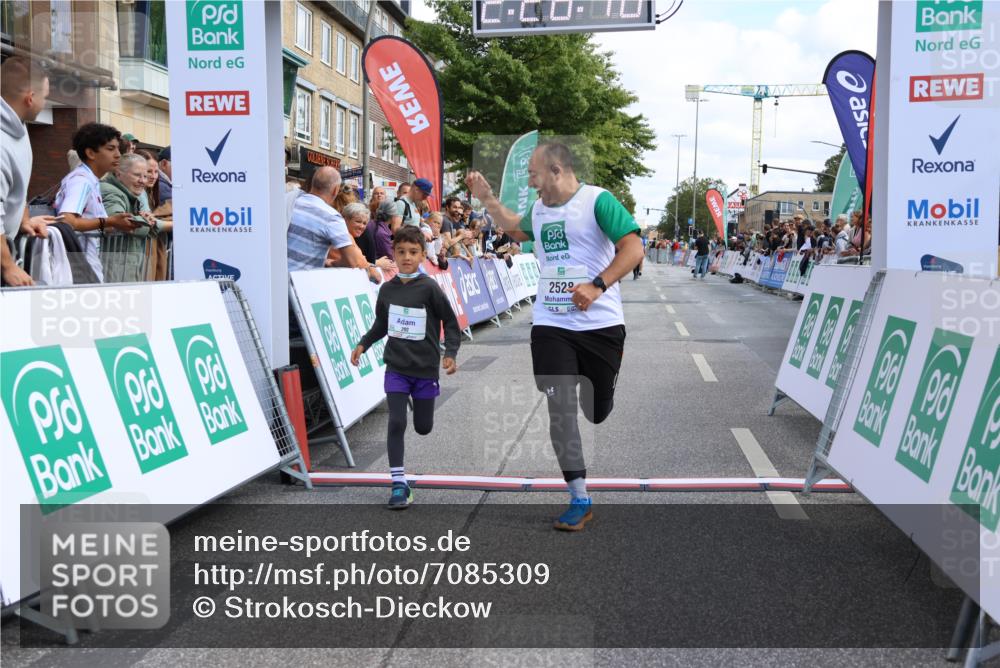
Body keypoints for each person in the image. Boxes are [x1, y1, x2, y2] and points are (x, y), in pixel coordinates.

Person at [466, 141, 643, 531]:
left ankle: (606, 381)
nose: (530, 182)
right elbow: (513, 226)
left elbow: (633, 247)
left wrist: (597, 285)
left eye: (533, 174)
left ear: (557, 171)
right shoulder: (541, 210)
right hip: (551, 324)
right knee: (559, 408)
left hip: (600, 325)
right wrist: (488, 199)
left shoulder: (599, 201)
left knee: (596, 412)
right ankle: (579, 497)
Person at [352, 225, 461, 509]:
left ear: (423, 255)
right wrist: (364, 343)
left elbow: (450, 321)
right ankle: (399, 484)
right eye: (401, 252)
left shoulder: (429, 287)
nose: (407, 257)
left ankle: (420, 414)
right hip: (396, 367)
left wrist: (450, 352)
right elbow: (381, 324)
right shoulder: (387, 290)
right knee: (396, 422)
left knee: (423, 427)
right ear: (394, 254)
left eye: (413, 252)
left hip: (425, 369)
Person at [55, 123, 139, 282]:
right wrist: (109, 221)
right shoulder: (81, 181)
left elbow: (92, 222)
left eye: (118, 148)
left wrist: (121, 223)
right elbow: (66, 220)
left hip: (85, 268)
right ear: (91, 153)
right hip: (78, 271)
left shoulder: (90, 180)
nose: (118, 155)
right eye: (110, 148)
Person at [1, 56, 56, 286]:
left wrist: (23, 219)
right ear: (30, 98)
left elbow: (17, 185)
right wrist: (8, 266)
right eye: (45, 96)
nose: (46, 102)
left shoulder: (19, 127)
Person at [287, 166, 376, 281]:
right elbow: (353, 261)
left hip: (274, 280)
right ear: (335, 190)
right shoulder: (331, 217)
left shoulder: (291, 202)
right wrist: (332, 263)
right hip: (300, 286)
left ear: (313, 183)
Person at [100, 153, 157, 282]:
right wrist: (146, 222)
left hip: (125, 267)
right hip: (113, 271)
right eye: (137, 175)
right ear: (119, 174)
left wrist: (145, 218)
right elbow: (122, 222)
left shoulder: (130, 192)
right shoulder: (110, 191)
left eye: (145, 176)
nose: (143, 181)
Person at [343, 201, 395, 275]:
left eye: (364, 223)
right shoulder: (340, 237)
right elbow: (352, 261)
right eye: (358, 221)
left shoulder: (365, 234)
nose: (361, 226)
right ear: (345, 219)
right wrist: (376, 263)